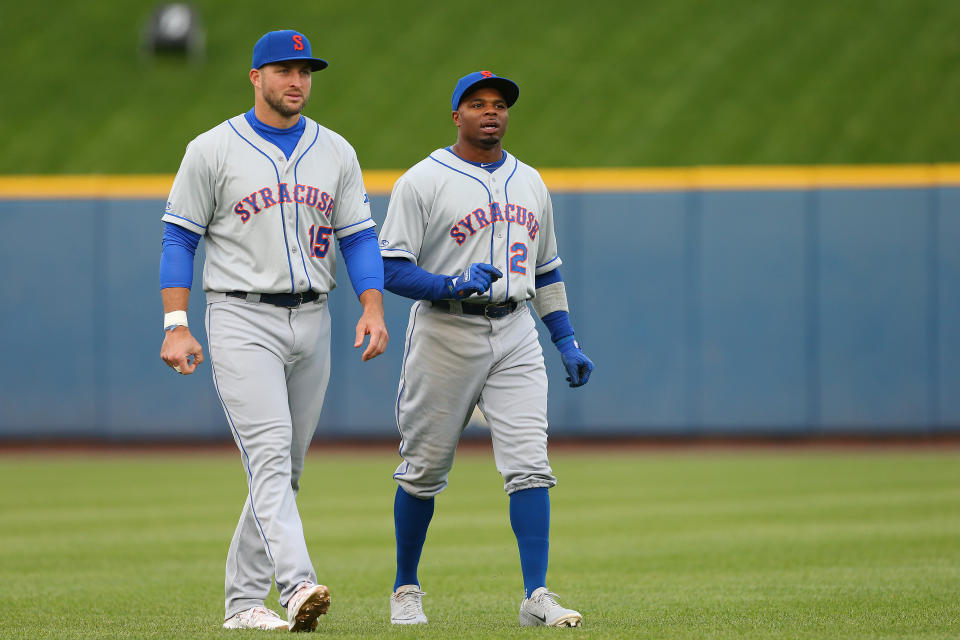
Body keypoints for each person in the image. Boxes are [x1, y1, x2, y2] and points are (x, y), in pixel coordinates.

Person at [158, 29, 388, 632]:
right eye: (284, 70)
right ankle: (299, 583)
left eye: (305, 71)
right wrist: (176, 325)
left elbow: (359, 235)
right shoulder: (212, 149)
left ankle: (241, 605)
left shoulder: (334, 149)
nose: (297, 80)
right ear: (256, 78)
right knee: (267, 456)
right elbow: (180, 236)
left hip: (314, 316)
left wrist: (372, 306)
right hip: (239, 315)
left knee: (286, 468)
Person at [377, 70, 595, 628]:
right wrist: (449, 283)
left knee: (530, 464)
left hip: (516, 329)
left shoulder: (530, 181)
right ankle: (405, 587)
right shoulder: (423, 180)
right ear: (456, 115)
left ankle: (537, 595)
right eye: (477, 104)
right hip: (445, 331)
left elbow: (547, 271)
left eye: (499, 105)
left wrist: (565, 339)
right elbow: (391, 268)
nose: (491, 113)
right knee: (424, 469)